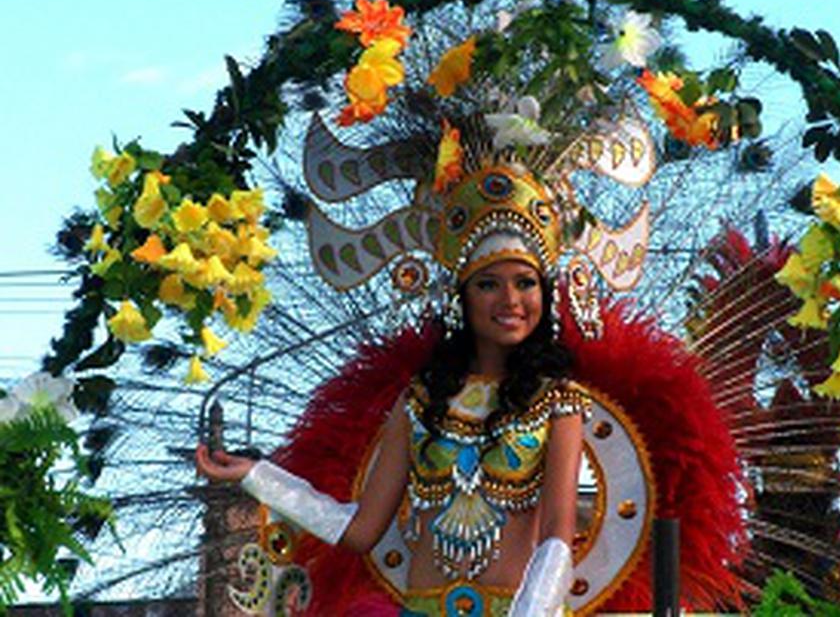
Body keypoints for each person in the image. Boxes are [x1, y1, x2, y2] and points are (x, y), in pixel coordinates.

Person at [197, 225, 592, 615]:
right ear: (461, 298)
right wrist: (259, 477)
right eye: (488, 284)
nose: (511, 299)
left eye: (525, 282)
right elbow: (360, 530)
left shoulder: (557, 401)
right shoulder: (419, 399)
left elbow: (557, 537)